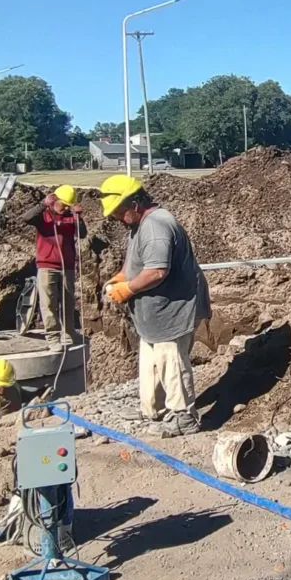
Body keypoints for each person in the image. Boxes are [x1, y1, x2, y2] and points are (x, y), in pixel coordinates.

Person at [99, 174, 210, 437]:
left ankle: (184, 417)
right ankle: (153, 409)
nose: (116, 218)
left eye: (119, 212)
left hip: (174, 309)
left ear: (135, 204)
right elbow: (137, 263)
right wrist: (121, 277)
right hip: (156, 312)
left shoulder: (155, 228)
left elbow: (156, 271)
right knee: (151, 360)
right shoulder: (139, 224)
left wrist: (128, 289)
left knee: (171, 361)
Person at [22, 185, 86, 351]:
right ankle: (53, 337)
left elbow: (83, 234)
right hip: (47, 266)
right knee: (48, 303)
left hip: (67, 266)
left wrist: (79, 218)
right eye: (63, 205)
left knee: (68, 302)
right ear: (54, 200)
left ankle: (69, 333)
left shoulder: (70, 217)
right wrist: (43, 204)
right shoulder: (43, 216)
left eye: (68, 206)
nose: (65, 209)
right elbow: (26, 218)